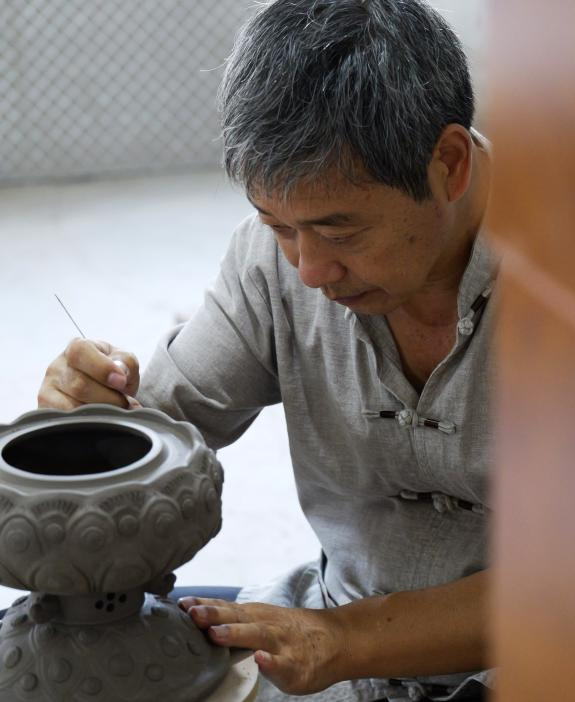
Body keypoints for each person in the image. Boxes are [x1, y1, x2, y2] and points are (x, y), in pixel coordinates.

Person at [36, 1, 494, 700]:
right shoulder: (273, 262)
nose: (308, 271)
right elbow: (160, 434)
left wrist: (348, 640)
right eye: (278, 224)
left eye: (340, 232)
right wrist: (88, 422)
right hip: (332, 621)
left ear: (449, 164)